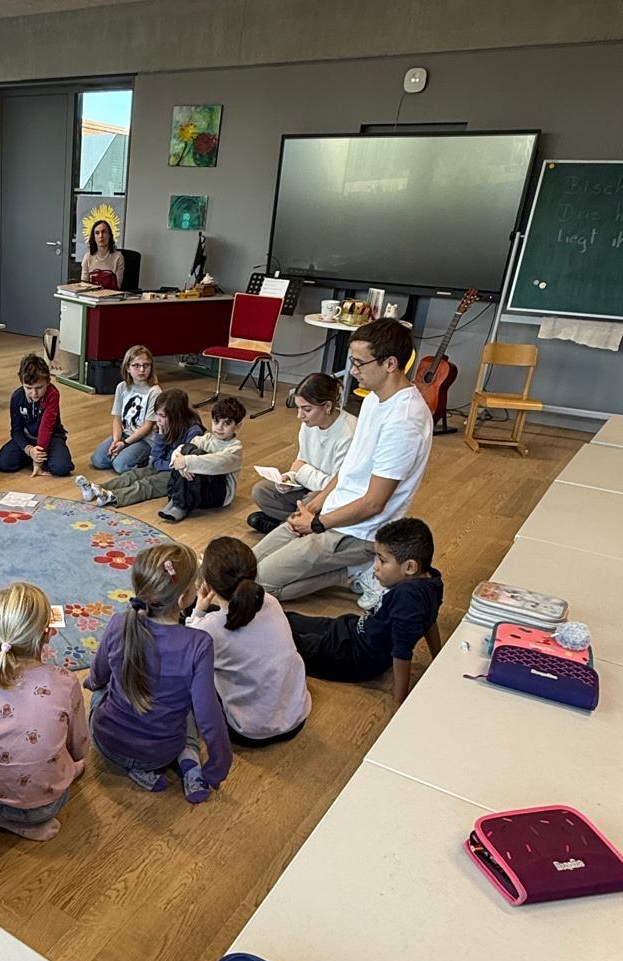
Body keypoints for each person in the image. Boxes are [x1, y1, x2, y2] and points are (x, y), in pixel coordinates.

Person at [252, 318, 434, 601]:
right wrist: (313, 506)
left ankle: (355, 569)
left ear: (390, 364)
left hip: (359, 532)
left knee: (259, 586)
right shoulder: (374, 398)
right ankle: (349, 566)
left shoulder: (405, 420)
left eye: (359, 363)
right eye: (352, 361)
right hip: (332, 513)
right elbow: (351, 467)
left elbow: (374, 503)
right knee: (247, 565)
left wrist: (317, 524)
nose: (353, 370)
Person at [86, 542, 231, 803]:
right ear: (183, 598)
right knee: (188, 705)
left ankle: (137, 770)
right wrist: (218, 766)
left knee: (98, 691)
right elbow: (209, 717)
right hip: (160, 753)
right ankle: (190, 760)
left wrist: (92, 683)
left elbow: (98, 676)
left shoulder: (119, 622)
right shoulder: (198, 644)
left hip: (108, 744)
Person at [0, 582, 88, 841]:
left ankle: (1, 820)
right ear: (48, 634)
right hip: (47, 806)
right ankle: (27, 825)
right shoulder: (66, 681)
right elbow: (79, 749)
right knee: (71, 760)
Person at [286, 517, 443, 706]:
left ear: (409, 567)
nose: (375, 566)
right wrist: (439, 658)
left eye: (382, 561)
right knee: (286, 620)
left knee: (284, 644)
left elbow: (402, 652)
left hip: (354, 657)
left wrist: (399, 703)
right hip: (351, 630)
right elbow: (430, 621)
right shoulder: (432, 580)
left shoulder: (407, 599)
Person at [185, 536, 311, 746]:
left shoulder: (210, 628)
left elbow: (188, 648)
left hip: (249, 732)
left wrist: (198, 611)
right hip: (297, 717)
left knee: (190, 676)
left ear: (207, 583)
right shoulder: (271, 601)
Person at [248, 372, 356, 535]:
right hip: (308, 487)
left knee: (313, 500)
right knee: (261, 491)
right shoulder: (309, 424)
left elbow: (338, 485)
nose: (300, 416)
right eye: (298, 408)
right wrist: (289, 479)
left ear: (327, 406)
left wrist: (301, 471)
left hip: (329, 495)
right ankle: (296, 526)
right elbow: (300, 463)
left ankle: (289, 526)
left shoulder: (348, 434)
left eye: (306, 409)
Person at [78, 388, 203, 509]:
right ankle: (97, 489)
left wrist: (158, 463)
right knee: (132, 475)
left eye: (162, 416)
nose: (157, 420)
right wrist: (160, 434)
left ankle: (113, 496)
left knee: (147, 484)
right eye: (157, 414)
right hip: (163, 464)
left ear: (177, 416)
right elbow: (155, 456)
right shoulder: (165, 426)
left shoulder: (194, 432)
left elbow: (182, 464)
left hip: (177, 473)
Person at [159, 395, 246, 523]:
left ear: (238, 426)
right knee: (188, 448)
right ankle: (177, 500)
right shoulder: (206, 439)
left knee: (199, 458)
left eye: (226, 423)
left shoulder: (235, 449)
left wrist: (186, 462)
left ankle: (180, 505)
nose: (219, 427)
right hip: (199, 490)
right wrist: (179, 461)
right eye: (216, 421)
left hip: (217, 496)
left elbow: (215, 463)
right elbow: (181, 449)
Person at [0, 352, 73, 478]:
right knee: (3, 463)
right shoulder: (17, 397)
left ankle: (38, 457)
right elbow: (16, 431)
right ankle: (33, 456)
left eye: (39, 387)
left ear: (48, 381)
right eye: (29, 388)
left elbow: (46, 427)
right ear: (21, 382)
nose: (34, 393)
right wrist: (29, 450)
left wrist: (38, 463)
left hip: (51, 437)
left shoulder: (52, 394)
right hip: (27, 438)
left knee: (62, 467)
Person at [89, 345, 159, 473]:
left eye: (146, 365)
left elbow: (147, 426)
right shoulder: (122, 387)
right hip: (125, 434)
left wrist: (124, 444)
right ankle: (125, 452)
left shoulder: (154, 392)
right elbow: (117, 419)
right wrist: (116, 439)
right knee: (98, 460)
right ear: (127, 368)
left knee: (120, 466)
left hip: (144, 439)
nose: (142, 370)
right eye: (136, 365)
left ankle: (146, 460)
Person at [80, 218, 125, 287]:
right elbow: (84, 285)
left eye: (104, 232)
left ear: (109, 235)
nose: (101, 236)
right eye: (97, 233)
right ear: (94, 237)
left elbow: (118, 286)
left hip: (111, 293)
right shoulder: (87, 257)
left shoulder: (118, 257)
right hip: (91, 293)